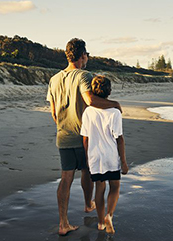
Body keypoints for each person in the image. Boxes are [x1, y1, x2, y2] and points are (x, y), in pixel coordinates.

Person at [46, 38, 121, 236]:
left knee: (66, 178)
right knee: (87, 172)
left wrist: (63, 126)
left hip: (63, 136)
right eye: (86, 55)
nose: (86, 58)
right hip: (82, 135)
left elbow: (53, 112)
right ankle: (88, 204)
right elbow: (90, 100)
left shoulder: (54, 79)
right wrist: (115, 105)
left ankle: (63, 223)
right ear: (82, 56)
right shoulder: (84, 75)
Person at [80, 75, 129, 234]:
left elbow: (85, 139)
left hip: (95, 157)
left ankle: (101, 223)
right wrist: (124, 162)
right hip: (111, 156)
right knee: (114, 187)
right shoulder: (115, 112)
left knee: (99, 189)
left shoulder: (88, 111)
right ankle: (109, 215)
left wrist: (87, 158)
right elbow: (119, 139)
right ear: (109, 92)